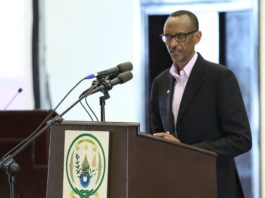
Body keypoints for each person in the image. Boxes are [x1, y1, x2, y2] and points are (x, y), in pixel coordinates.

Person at [150, 10, 252, 198]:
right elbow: (158, 136)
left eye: (180, 36)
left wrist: (187, 150)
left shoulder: (220, 78)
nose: (172, 44)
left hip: (215, 187)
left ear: (197, 37)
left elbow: (241, 140)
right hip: (175, 187)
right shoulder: (160, 83)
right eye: (168, 37)